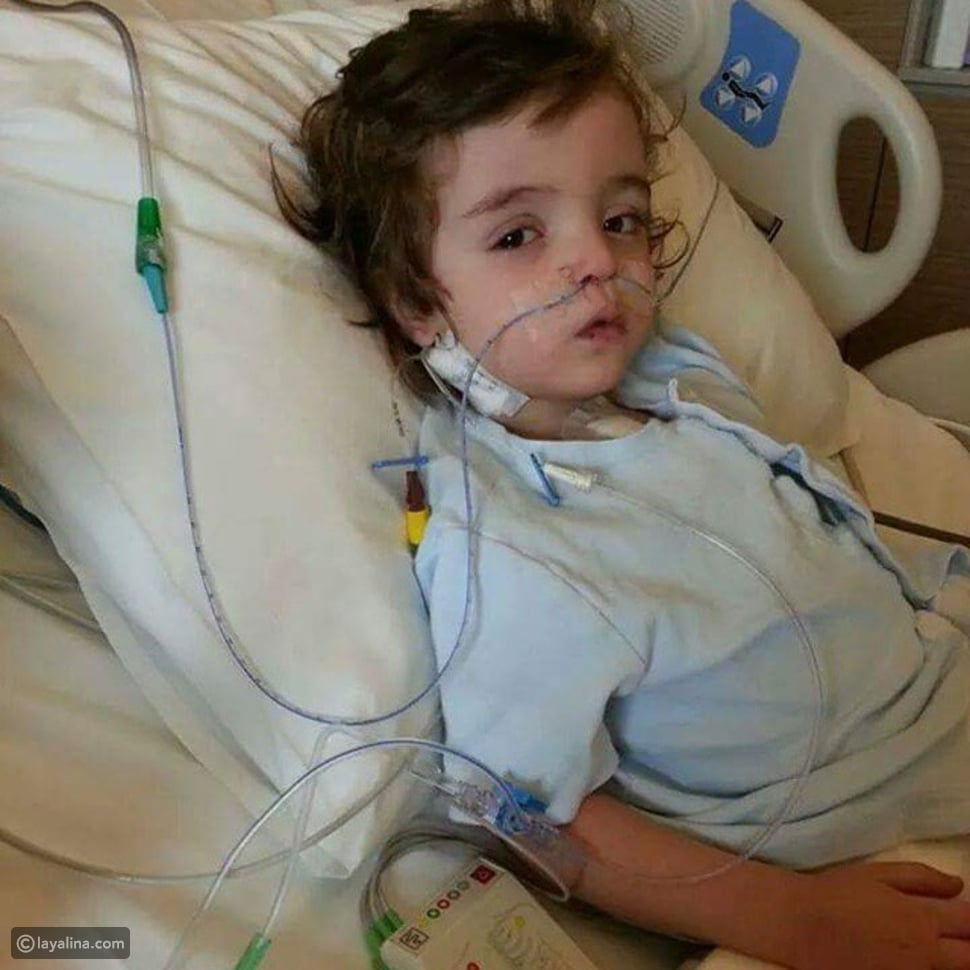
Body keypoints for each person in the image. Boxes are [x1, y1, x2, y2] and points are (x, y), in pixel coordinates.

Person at [278, 0, 970, 966]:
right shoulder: (515, 553)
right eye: (517, 236)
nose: (598, 261)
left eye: (621, 218)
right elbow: (525, 814)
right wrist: (798, 920)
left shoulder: (675, 376)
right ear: (415, 300)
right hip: (873, 833)